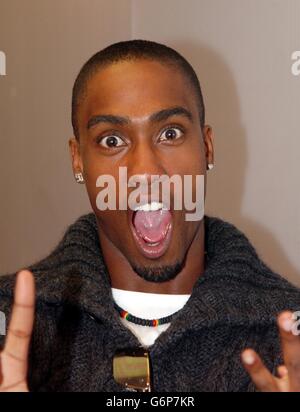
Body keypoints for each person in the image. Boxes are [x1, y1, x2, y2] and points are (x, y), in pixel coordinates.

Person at [0, 40, 299, 392]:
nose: (145, 171)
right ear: (77, 160)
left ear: (207, 148)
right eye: (112, 140)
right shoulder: (10, 326)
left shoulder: (288, 333)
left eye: (169, 133)